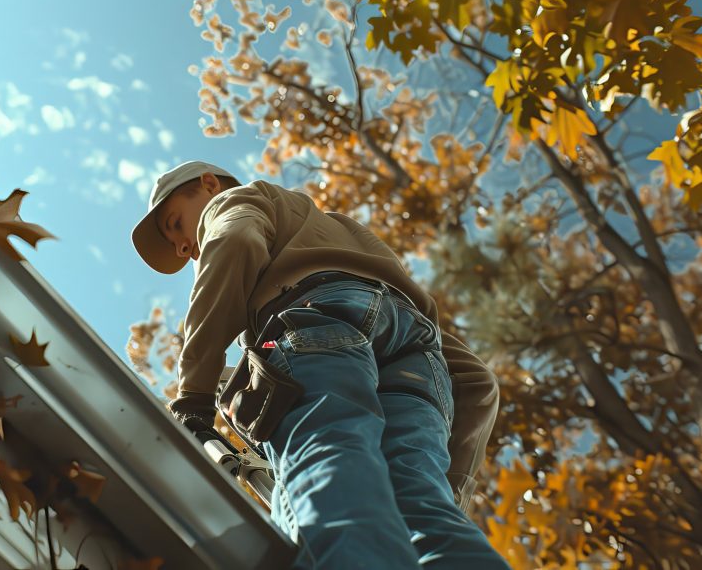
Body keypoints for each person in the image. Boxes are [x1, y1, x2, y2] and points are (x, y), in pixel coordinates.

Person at [131, 160, 511, 569]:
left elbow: (236, 239)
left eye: (175, 225)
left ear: (208, 185)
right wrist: (450, 489)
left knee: (331, 466)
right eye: (177, 245)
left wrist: (193, 396)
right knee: (422, 506)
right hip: (418, 351)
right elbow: (477, 382)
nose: (184, 247)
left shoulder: (237, 200)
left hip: (318, 324)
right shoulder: (349, 236)